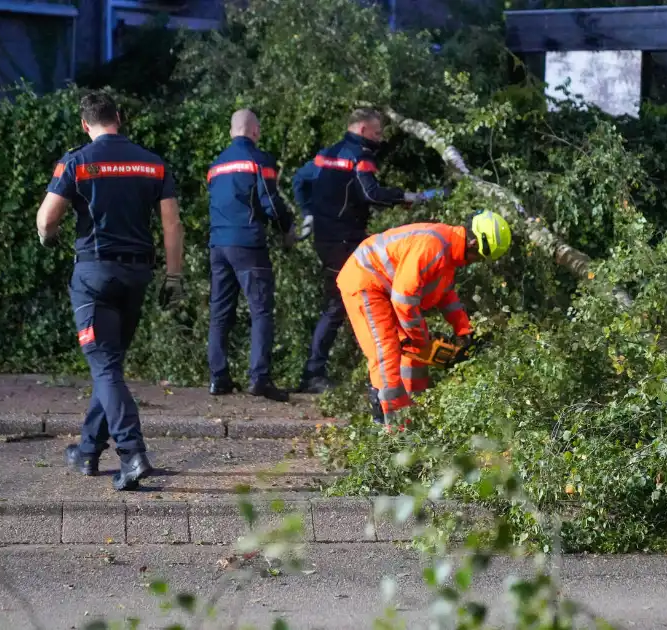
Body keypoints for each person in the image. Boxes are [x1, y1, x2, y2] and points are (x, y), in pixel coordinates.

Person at [36, 91, 185, 492]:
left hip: (94, 276)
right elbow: (171, 224)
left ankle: (133, 454)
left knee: (104, 368)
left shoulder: (77, 162)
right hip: (137, 275)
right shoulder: (152, 163)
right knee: (110, 366)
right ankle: (87, 451)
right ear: (118, 117)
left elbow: (47, 220)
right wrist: (174, 276)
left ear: (85, 124)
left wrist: (48, 238)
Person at [291, 108, 442, 394]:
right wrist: (409, 196)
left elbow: (299, 180)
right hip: (345, 239)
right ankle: (317, 373)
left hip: (326, 237)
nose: (380, 138)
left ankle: (364, 367)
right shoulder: (360, 157)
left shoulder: (326, 155)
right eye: (377, 132)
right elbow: (371, 193)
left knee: (345, 301)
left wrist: (308, 213)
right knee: (344, 303)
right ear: (362, 130)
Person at [336, 211, 512, 430]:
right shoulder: (434, 247)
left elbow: (446, 295)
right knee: (386, 352)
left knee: (413, 353)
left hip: (387, 289)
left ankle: (413, 414)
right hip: (366, 279)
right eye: (480, 257)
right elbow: (404, 300)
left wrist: (464, 330)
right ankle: (393, 428)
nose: (476, 261)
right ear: (474, 243)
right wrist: (422, 339)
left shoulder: (449, 252)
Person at [205, 109, 296, 402]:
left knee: (220, 312)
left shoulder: (216, 165)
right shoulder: (259, 160)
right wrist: (287, 227)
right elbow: (270, 202)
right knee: (260, 310)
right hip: (247, 244)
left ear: (232, 131)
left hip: (218, 244)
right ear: (255, 131)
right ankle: (259, 378)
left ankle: (218, 377)